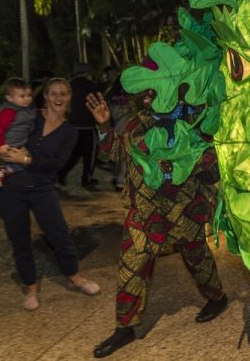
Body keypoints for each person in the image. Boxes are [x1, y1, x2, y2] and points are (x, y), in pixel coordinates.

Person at [86, 84, 227, 359]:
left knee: (197, 258)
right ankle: (125, 327)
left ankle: (217, 298)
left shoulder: (192, 120)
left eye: (154, 91)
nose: (148, 97)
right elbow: (116, 152)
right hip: (144, 211)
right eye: (145, 94)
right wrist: (104, 126)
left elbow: (211, 157)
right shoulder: (137, 124)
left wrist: (180, 164)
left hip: (184, 210)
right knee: (131, 266)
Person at [0, 77, 100, 311]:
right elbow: (1, 133)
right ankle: (31, 288)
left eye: (63, 93)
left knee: (60, 235)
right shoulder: (29, 116)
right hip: (13, 187)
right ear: (46, 96)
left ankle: (74, 276)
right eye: (53, 93)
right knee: (20, 240)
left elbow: (58, 165)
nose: (58, 98)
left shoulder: (69, 132)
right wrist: (5, 149)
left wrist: (27, 158)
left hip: (43, 188)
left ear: (69, 97)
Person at [58, 62, 101, 188]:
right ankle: (86, 179)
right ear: (87, 73)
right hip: (87, 126)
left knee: (74, 153)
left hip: (71, 125)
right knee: (90, 153)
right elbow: (97, 104)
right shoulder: (91, 86)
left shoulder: (67, 86)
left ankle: (61, 173)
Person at [0, 77, 37, 187]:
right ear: (9, 98)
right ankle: (4, 170)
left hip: (20, 140)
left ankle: (7, 174)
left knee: (23, 160)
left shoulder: (24, 109)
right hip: (12, 142)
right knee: (24, 160)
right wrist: (0, 144)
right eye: (22, 96)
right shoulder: (9, 111)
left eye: (29, 95)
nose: (27, 99)